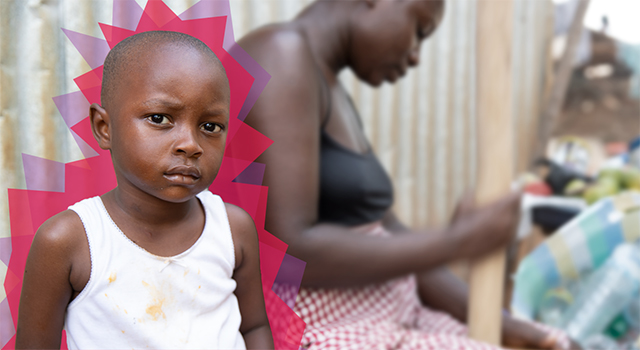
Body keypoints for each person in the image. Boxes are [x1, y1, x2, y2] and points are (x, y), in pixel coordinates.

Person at [238, 1, 575, 349]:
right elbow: (288, 253)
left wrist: (508, 325)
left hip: (391, 311)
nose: (415, 56)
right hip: (325, 327)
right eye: (419, 29)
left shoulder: (330, 86)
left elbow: (391, 234)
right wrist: (457, 241)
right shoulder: (280, 53)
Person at [15, 31, 273, 350]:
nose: (190, 145)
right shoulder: (70, 242)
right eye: (159, 118)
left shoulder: (232, 229)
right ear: (103, 127)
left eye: (210, 126)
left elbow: (254, 327)